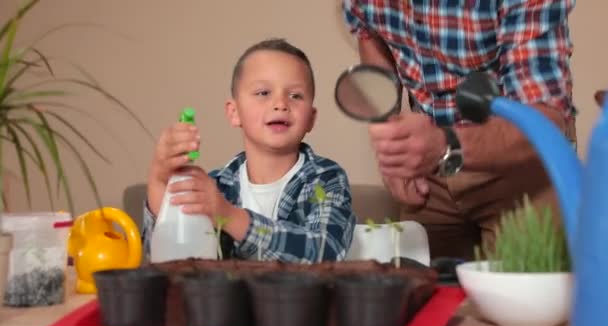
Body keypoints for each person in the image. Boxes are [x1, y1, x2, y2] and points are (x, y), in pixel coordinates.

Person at [342, 0, 576, 259]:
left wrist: (445, 145)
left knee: (525, 295)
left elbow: (545, 122)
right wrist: (393, 138)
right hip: (428, 177)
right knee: (420, 291)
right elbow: (369, 32)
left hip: (521, 164)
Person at [142, 38, 356, 263]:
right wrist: (158, 177)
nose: (280, 103)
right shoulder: (214, 187)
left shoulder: (327, 178)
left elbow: (326, 252)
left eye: (295, 96)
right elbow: (166, 257)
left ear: (310, 119)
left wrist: (228, 215)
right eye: (263, 93)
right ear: (234, 112)